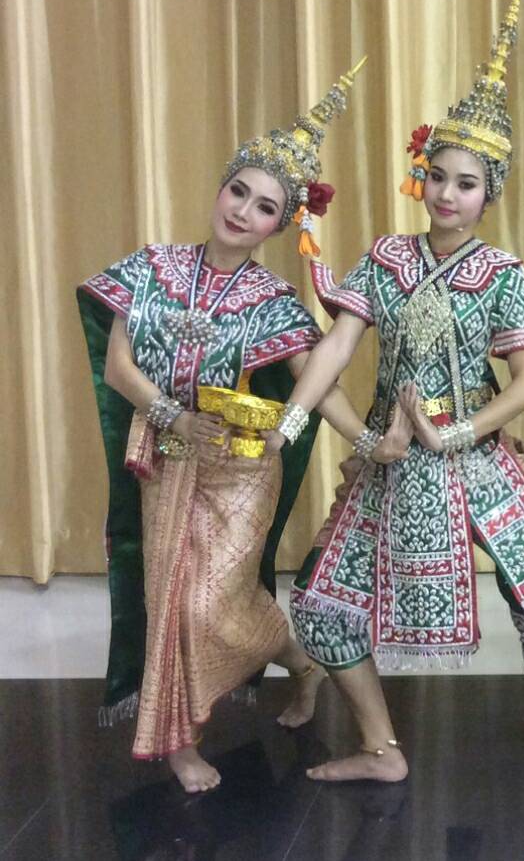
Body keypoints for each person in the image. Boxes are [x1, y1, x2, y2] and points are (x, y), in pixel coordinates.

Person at [268, 0, 524, 782]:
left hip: (475, 450)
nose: (447, 194)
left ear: (490, 193)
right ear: (419, 176)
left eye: (466, 182)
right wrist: (296, 425)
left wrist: (453, 433)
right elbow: (335, 347)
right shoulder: (387, 256)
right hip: (390, 454)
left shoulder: (500, 271)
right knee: (320, 604)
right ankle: (379, 746)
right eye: (438, 176)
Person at [78, 61, 376, 793]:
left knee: (216, 602)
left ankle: (296, 660)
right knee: (172, 603)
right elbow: (118, 366)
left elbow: (319, 378)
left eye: (265, 206)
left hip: (242, 470)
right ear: (220, 188)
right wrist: (171, 413)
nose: (243, 211)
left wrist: (358, 438)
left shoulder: (272, 300)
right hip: (170, 452)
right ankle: (184, 738)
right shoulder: (153, 267)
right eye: (238, 191)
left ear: (280, 224)